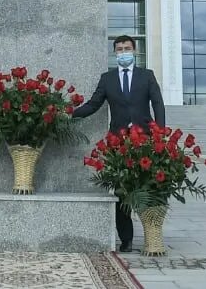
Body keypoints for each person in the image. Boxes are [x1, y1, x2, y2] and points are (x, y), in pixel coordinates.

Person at [71, 35, 166, 252]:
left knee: (147, 187)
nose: (123, 52)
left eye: (127, 48)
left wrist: (160, 133)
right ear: (115, 53)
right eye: (120, 49)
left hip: (145, 141)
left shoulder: (147, 76)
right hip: (118, 143)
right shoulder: (108, 79)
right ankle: (127, 238)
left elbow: (158, 105)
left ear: (135, 51)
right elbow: (93, 105)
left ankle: (152, 235)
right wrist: (70, 114)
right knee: (121, 190)